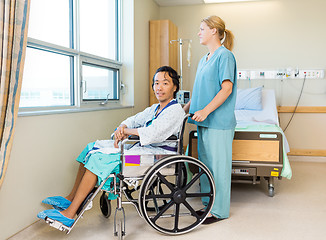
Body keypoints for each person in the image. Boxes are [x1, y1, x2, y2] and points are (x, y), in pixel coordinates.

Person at [37, 66, 185, 227]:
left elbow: (152, 133)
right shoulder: (155, 109)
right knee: (90, 148)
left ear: (175, 87)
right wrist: (122, 127)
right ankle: (71, 199)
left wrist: (126, 132)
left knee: (99, 159)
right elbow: (134, 119)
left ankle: (70, 214)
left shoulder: (175, 110)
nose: (159, 87)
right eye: (156, 83)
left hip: (152, 159)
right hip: (143, 151)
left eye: (165, 83)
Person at [183, 15, 237, 224]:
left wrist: (205, 111)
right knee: (205, 167)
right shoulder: (203, 59)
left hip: (218, 122)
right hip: (203, 121)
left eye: (202, 29)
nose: (198, 33)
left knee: (218, 168)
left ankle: (220, 211)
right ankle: (208, 205)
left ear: (214, 30)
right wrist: (184, 109)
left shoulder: (225, 56)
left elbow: (227, 89)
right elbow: (198, 90)